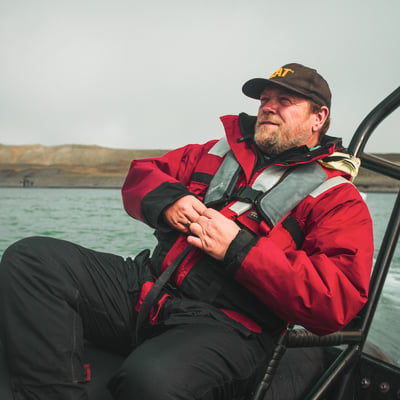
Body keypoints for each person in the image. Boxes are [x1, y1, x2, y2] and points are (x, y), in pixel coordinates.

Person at [0, 63, 374, 400]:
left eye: (285, 100)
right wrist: (168, 202)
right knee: (31, 260)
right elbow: (141, 174)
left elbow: (336, 300)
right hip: (146, 285)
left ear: (318, 118)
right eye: (265, 98)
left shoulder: (337, 199)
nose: (268, 106)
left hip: (230, 326)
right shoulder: (214, 151)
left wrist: (240, 249)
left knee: (150, 381)